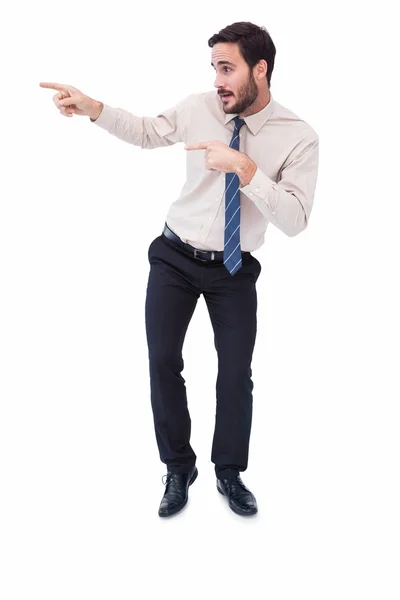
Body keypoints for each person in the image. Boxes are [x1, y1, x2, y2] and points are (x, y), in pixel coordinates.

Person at [40, 20, 319, 518]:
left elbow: (296, 220)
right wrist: (93, 109)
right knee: (163, 360)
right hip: (174, 256)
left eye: (228, 68)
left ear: (261, 69)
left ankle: (229, 472)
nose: (218, 81)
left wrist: (244, 169)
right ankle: (177, 467)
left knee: (235, 374)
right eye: (214, 67)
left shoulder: (298, 137)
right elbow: (147, 132)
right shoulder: (199, 108)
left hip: (234, 269)